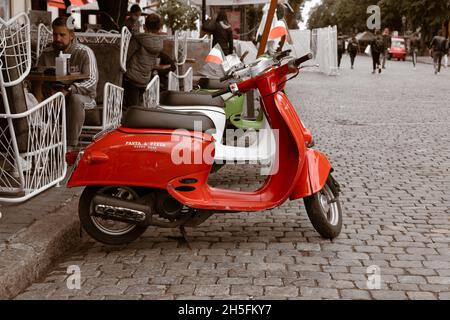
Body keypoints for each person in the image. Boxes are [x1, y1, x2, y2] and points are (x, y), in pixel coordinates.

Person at [38, 16, 98, 149]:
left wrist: (70, 90)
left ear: (71, 35)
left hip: (84, 98)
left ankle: (69, 147)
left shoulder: (84, 52)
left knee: (75, 100)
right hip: (53, 98)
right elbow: (37, 80)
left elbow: (92, 81)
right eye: (54, 34)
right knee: (33, 99)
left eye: (62, 35)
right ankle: (39, 147)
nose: (57, 38)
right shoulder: (46, 54)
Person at [123, 14, 164, 109]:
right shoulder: (159, 43)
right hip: (145, 78)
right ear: (159, 28)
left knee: (132, 109)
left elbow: (126, 56)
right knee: (137, 107)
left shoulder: (139, 40)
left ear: (145, 26)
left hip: (131, 77)